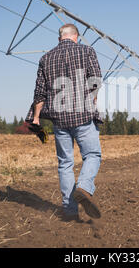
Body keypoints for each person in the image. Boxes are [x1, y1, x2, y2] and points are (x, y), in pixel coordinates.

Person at [25, 23, 103, 222]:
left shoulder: (46, 58)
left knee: (65, 164)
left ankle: (69, 211)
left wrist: (35, 118)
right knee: (92, 155)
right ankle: (84, 187)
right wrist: (92, 102)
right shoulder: (87, 51)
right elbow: (95, 81)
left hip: (59, 119)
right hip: (83, 115)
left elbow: (39, 93)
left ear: (60, 38)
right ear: (76, 36)